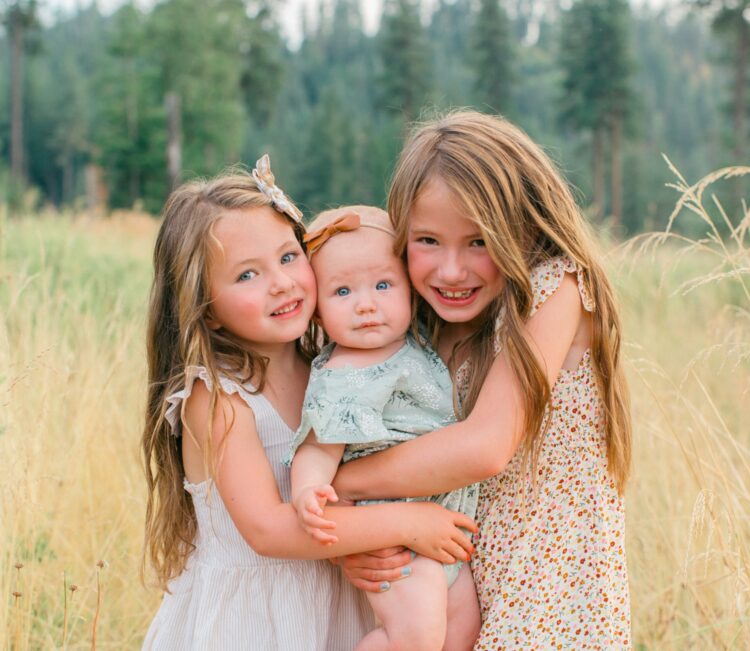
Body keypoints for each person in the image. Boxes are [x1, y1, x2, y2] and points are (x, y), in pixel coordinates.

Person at [140, 157, 477, 651]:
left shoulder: (329, 368)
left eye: (287, 257)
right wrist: (408, 523)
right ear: (206, 312)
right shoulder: (217, 398)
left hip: (329, 606)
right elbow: (270, 529)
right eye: (247, 275)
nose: (281, 282)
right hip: (255, 619)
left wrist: (348, 550)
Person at [331, 112, 633, 649]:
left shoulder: (555, 286)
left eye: (478, 241)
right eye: (428, 240)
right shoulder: (423, 324)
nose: (451, 271)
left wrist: (342, 488)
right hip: (456, 586)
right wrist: (366, 536)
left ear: (524, 226)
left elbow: (486, 447)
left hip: (549, 590)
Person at [284, 205, 480, 651]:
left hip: (442, 528)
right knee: (415, 640)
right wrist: (308, 490)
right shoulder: (345, 372)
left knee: (463, 633)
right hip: (395, 534)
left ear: (410, 289)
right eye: (343, 291)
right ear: (316, 311)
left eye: (384, 285)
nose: (366, 304)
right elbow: (318, 443)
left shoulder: (412, 341)